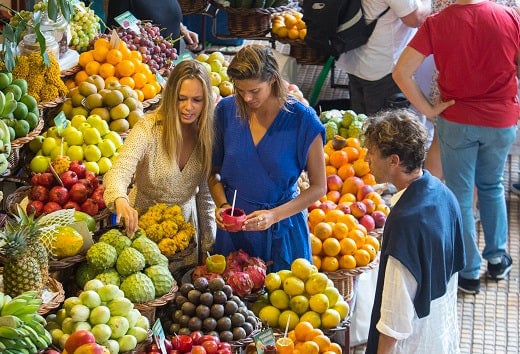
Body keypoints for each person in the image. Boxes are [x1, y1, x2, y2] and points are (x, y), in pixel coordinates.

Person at [393, 0, 520, 294]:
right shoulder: (509, 17)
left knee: (460, 195)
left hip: (457, 119)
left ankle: (469, 272)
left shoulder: (437, 23)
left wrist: (428, 108)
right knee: (492, 186)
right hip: (500, 120)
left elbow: (401, 72)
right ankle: (498, 258)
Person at [209, 44, 327, 272]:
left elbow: (319, 187)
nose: (246, 97)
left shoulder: (303, 120)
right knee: (233, 303)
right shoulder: (225, 111)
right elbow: (213, 171)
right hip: (234, 232)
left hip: (282, 231)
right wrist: (222, 205)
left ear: (273, 79)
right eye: (240, 90)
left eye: (254, 91)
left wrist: (274, 215)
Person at [363, 110, 465, 354]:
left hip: (413, 344)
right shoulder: (443, 194)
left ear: (393, 161)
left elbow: (394, 313)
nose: (366, 158)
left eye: (372, 152)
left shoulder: (404, 222)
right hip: (439, 331)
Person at [103, 60, 216, 268]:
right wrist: (121, 201)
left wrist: (208, 248)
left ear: (207, 100)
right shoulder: (149, 127)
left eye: (197, 100)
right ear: (171, 94)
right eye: (181, 98)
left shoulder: (207, 134)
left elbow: (206, 196)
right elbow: (121, 168)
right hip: (140, 231)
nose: (188, 107)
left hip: (182, 236)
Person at [335, 0, 431, 114]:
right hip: (382, 66)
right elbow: (416, 19)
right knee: (386, 128)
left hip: (352, 55)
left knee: (361, 121)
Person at [106, 0, 199, 51]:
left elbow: (165, 12)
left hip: (170, 65)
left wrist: (182, 29)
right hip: (145, 73)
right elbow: (118, 30)